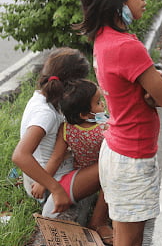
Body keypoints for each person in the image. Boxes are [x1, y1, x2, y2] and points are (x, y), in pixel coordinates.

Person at [75, 0, 162, 246]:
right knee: (130, 240)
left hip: (117, 151)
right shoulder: (127, 47)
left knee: (124, 235)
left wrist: (152, 83)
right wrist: (161, 79)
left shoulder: (104, 39)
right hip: (133, 158)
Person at [11, 48, 105, 223]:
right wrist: (56, 189)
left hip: (49, 177)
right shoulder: (45, 113)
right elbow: (20, 156)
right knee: (112, 164)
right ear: (71, 83)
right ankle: (98, 222)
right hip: (53, 181)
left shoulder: (43, 98)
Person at [46, 78, 112, 244]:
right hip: (90, 175)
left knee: (109, 172)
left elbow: (56, 157)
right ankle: (100, 221)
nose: (102, 104)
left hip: (92, 172)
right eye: (98, 102)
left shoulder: (70, 128)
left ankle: (101, 220)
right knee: (110, 171)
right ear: (83, 114)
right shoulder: (100, 126)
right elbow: (56, 157)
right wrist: (43, 183)